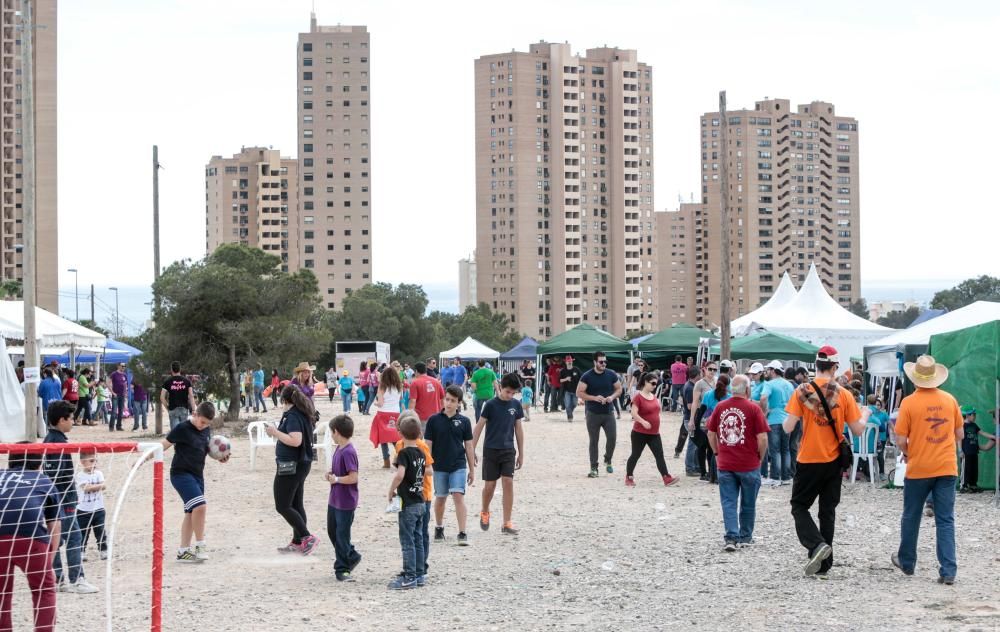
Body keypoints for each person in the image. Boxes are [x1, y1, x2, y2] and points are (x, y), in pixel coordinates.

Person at [783, 345, 869, 577]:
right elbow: (858, 430)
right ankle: (824, 563)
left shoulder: (801, 391)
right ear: (834, 367)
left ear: (816, 364)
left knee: (799, 506)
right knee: (827, 510)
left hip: (809, 458)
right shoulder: (844, 394)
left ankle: (816, 545)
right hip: (833, 461)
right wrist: (866, 414)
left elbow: (788, 427)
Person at [891, 355, 965, 584]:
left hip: (919, 468)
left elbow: (901, 438)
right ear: (936, 379)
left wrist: (909, 452)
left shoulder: (909, 403)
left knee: (911, 516)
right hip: (946, 467)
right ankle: (948, 570)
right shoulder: (950, 400)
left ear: (915, 380)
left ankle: (907, 562)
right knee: (945, 520)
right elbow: (959, 435)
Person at [0, 448, 60, 631]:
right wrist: (50, 560)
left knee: (1, 593)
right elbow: (55, 525)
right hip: (30, 538)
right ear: (40, 463)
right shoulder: (43, 480)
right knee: (45, 589)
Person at [707, 375, 770, 551]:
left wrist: (717, 452)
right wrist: (760, 456)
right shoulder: (754, 408)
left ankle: (731, 537)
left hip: (726, 463)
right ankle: (745, 537)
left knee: (728, 502)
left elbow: (711, 434)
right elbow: (763, 437)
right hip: (749, 463)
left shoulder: (720, 407)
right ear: (748, 390)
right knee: (748, 503)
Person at [41, 400, 97, 594]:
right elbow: (56, 475)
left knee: (56, 537)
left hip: (54, 499)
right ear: (61, 420)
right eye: (71, 418)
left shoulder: (49, 440)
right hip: (62, 499)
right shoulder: (57, 444)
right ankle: (76, 579)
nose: (74, 421)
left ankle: (58, 579)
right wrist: (66, 497)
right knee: (73, 536)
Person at [160, 401, 227, 563]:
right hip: (180, 474)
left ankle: (183, 551)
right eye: (202, 421)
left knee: (191, 512)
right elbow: (163, 445)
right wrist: (141, 458)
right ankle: (200, 545)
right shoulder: (182, 428)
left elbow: (206, 449)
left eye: (207, 424)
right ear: (195, 414)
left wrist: (220, 458)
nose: (203, 426)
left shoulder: (206, 430)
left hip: (198, 476)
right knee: (201, 506)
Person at [267, 385, 319, 555]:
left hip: (292, 465)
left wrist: (275, 432)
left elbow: (295, 440)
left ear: (284, 400)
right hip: (300, 463)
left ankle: (307, 537)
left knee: (282, 505)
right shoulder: (300, 413)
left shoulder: (294, 416)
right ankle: (298, 542)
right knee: (296, 504)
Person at [473, 373, 524, 536]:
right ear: (501, 387)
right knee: (490, 486)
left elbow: (518, 429)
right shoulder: (490, 405)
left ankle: (507, 522)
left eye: (513, 393)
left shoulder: (516, 405)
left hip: (508, 450)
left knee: (508, 482)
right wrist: (471, 449)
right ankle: (485, 511)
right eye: (508, 391)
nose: (510, 395)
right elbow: (479, 427)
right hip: (491, 451)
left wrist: (521, 453)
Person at [424, 385, 475, 545]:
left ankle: (462, 532)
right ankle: (439, 527)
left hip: (458, 464)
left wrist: (472, 469)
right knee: (440, 498)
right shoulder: (433, 420)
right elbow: (428, 444)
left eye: (453, 401)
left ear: (459, 403)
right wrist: (428, 465)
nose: (449, 403)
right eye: (447, 399)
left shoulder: (465, 422)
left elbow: (469, 446)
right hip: (439, 466)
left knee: (458, 496)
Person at [387, 414, 429, 590]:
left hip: (408, 503)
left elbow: (400, 475)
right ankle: (419, 574)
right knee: (418, 538)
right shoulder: (421, 452)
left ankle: (409, 575)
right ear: (419, 433)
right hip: (420, 500)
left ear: (401, 434)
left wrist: (391, 490)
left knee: (407, 540)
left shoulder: (403, 453)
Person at [625, 372, 679, 487]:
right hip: (639, 432)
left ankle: (666, 477)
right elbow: (633, 413)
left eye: (656, 384)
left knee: (659, 455)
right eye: (653, 383)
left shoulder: (653, 396)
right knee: (635, 454)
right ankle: (629, 476)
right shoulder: (638, 397)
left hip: (654, 433)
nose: (655, 386)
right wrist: (643, 421)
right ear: (645, 382)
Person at [324, 415, 362, 582]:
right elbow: (339, 472)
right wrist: (332, 475)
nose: (331, 435)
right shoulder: (339, 449)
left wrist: (337, 479)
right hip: (335, 499)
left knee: (342, 535)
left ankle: (343, 569)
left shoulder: (348, 452)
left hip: (346, 501)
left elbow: (353, 477)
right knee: (333, 530)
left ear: (336, 432)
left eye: (331, 432)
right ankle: (351, 555)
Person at [577, 352, 622, 478]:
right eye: (601, 362)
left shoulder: (611, 374)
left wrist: (612, 397)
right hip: (593, 413)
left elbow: (619, 389)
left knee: (612, 439)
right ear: (595, 362)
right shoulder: (587, 376)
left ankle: (608, 459)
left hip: (609, 412)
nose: (604, 364)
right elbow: (579, 392)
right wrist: (594, 398)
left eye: (605, 362)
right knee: (594, 441)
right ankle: (594, 468)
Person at [758, 360, 794, 487]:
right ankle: (786, 477)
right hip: (787, 419)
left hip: (774, 419)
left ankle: (775, 477)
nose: (767, 372)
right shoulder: (789, 385)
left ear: (773, 371)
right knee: (786, 450)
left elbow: (763, 398)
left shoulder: (769, 384)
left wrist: (763, 411)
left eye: (768, 370)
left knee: (775, 450)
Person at [695, 374, 731, 483]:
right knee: (714, 450)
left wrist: (697, 426)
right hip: (720, 426)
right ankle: (714, 475)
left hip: (706, 425)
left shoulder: (708, 394)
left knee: (702, 448)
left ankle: (703, 473)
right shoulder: (729, 397)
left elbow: (701, 411)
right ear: (728, 385)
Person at [74, 452, 107, 561]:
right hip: (83, 510)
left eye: (96, 460)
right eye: (91, 461)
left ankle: (103, 550)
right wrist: (99, 486)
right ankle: (81, 551)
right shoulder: (79, 476)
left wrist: (97, 486)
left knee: (100, 531)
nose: (95, 463)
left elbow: (104, 486)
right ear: (83, 462)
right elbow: (86, 488)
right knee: (83, 533)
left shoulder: (99, 473)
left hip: (99, 509)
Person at [370, 368, 404, 469]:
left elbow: (380, 403)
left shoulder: (382, 386)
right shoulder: (399, 386)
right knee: (396, 438)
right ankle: (400, 460)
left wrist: (375, 403)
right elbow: (400, 399)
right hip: (395, 413)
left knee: (383, 439)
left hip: (383, 413)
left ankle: (386, 462)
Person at [960, 406, 996, 492]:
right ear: (967, 415)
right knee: (966, 469)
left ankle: (973, 485)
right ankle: (964, 486)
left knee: (974, 469)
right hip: (966, 452)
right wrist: (960, 450)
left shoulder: (974, 425)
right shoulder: (962, 426)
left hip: (974, 452)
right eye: (973, 415)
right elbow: (959, 439)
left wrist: (994, 436)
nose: (975, 416)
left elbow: (982, 433)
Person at [677, 365, 701, 475]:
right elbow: (690, 406)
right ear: (696, 375)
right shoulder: (691, 388)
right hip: (690, 418)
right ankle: (690, 468)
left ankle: (695, 466)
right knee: (692, 444)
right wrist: (702, 404)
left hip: (688, 418)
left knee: (695, 444)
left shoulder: (688, 385)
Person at [161, 362, 195, 431]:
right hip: (184, 409)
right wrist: (193, 409)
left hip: (173, 408)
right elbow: (191, 396)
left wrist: (167, 407)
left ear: (171, 370)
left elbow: (162, 397)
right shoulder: (187, 381)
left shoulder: (167, 381)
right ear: (180, 369)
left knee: (175, 433)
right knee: (183, 432)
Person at [559, 356, 583, 422]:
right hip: (566, 391)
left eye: (570, 361)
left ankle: (570, 412)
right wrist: (566, 379)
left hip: (576, 391)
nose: (569, 362)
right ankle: (570, 416)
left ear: (572, 361)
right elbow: (560, 380)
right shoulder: (563, 371)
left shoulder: (576, 369)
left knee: (574, 404)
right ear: (566, 362)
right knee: (567, 405)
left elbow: (582, 378)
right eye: (568, 361)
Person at [109, 363, 128, 432]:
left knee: (121, 412)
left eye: (124, 366)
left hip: (122, 395)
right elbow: (108, 383)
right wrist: (112, 392)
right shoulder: (114, 374)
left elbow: (125, 384)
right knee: (114, 411)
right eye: (122, 366)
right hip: (115, 395)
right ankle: (111, 427)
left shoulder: (124, 375)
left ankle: (119, 426)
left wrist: (125, 392)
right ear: (118, 366)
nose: (123, 367)